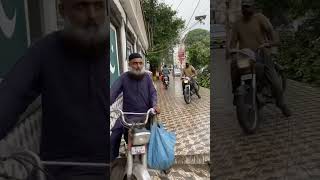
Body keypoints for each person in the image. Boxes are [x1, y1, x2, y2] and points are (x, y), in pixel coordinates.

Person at [0, 0, 109, 179]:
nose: (92, 16)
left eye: (98, 6)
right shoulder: (44, 51)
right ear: (61, 10)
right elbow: (9, 97)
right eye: (81, 6)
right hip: (63, 174)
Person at [229, 0, 291, 117]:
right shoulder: (237, 23)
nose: (245, 9)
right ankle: (237, 94)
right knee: (233, 66)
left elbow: (272, 34)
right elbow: (232, 44)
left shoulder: (260, 18)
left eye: (248, 7)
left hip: (262, 54)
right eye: (243, 7)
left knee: (275, 83)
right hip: (246, 57)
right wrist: (232, 52)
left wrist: (270, 43)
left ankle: (281, 104)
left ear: (253, 8)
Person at [110, 53, 160, 162]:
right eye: (135, 63)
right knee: (114, 135)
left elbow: (153, 93)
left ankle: (156, 159)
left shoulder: (147, 78)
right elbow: (113, 92)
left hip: (145, 115)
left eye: (140, 63)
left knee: (156, 135)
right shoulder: (124, 77)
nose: (138, 66)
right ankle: (112, 161)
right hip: (127, 115)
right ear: (129, 64)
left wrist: (155, 105)